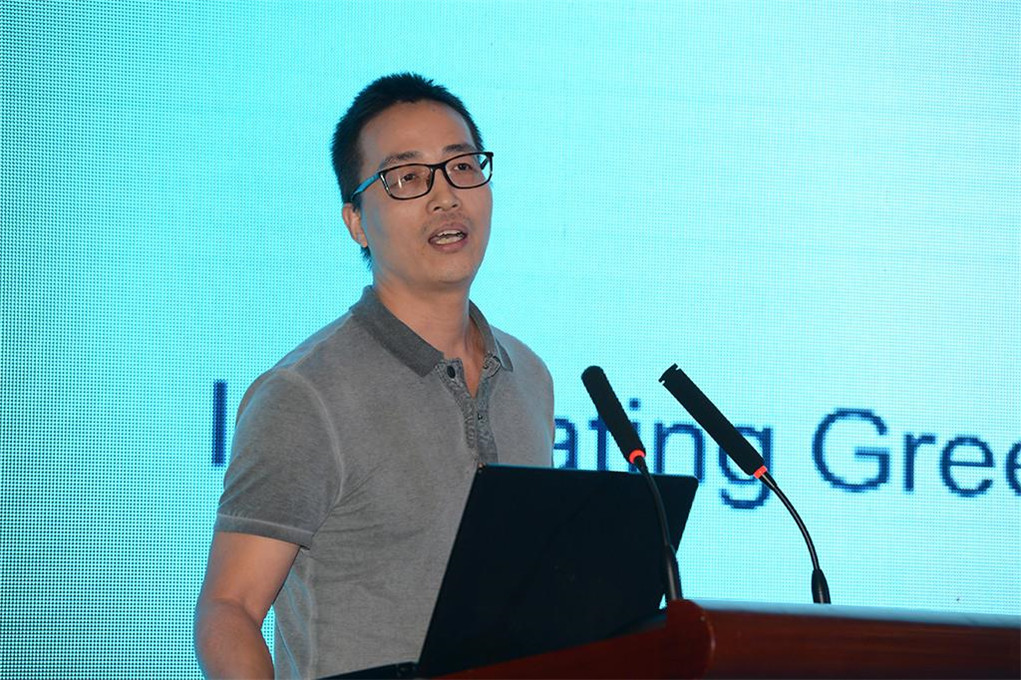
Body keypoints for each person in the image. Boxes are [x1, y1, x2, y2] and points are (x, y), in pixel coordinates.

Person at [193, 73, 555, 679]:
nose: (446, 196)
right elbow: (230, 609)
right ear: (356, 221)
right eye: (407, 177)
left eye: (462, 166)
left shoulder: (530, 376)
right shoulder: (304, 394)